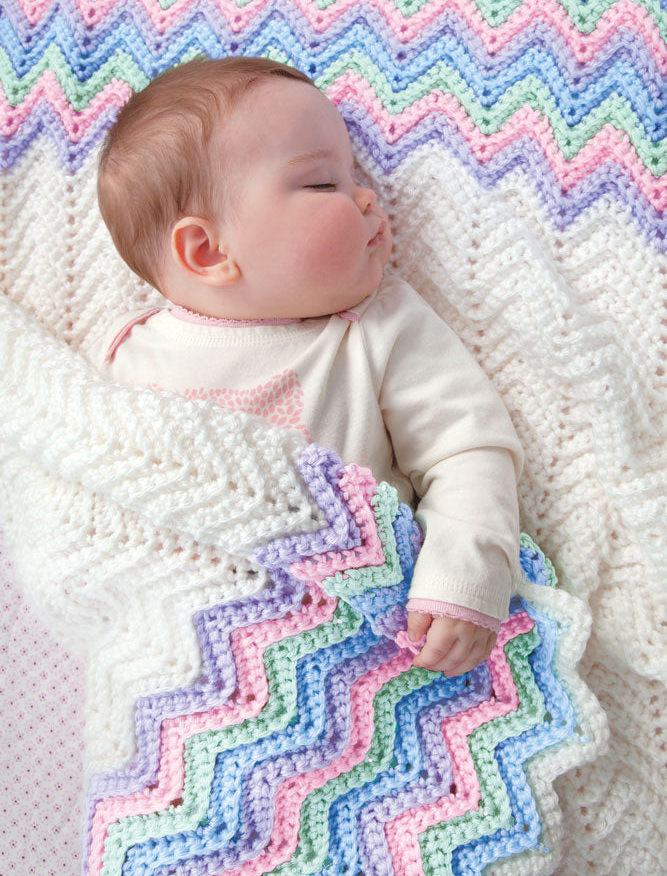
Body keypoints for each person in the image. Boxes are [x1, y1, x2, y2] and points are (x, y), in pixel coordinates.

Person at [94, 56, 523, 676]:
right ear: (208, 250)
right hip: (183, 652)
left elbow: (466, 447)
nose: (367, 194)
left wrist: (464, 576)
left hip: (361, 638)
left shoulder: (376, 326)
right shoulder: (125, 356)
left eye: (355, 175)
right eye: (325, 184)